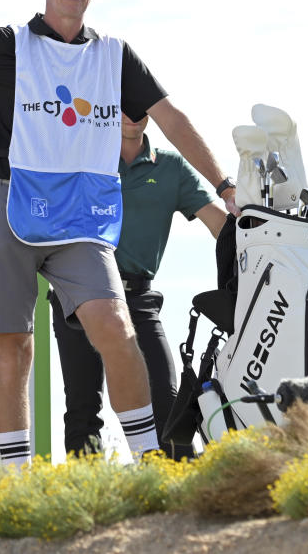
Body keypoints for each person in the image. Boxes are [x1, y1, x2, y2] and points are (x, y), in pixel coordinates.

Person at [0, 0, 239, 464]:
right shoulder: (4, 43)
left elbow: (172, 120)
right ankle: (17, 480)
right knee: (14, 347)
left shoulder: (115, 56)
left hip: (80, 218)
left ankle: (149, 463)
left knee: (116, 328)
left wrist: (225, 187)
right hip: (4, 203)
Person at [51, 113, 227, 460]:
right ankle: (90, 505)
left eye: (141, 107)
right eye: (124, 106)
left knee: (167, 402)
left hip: (139, 298)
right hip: (78, 295)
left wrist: (260, 236)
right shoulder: (83, 158)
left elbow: (219, 225)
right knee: (83, 412)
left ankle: (176, 496)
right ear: (109, 109)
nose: (133, 116)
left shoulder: (171, 168)